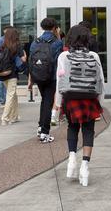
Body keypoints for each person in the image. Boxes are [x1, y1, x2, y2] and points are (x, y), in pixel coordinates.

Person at [55, 24, 104, 187]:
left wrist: (57, 104)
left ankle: (71, 160)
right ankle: (85, 166)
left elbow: (59, 81)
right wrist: (100, 103)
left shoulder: (63, 56)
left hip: (71, 97)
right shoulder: (94, 56)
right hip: (90, 97)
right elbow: (101, 81)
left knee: (72, 127)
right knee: (88, 130)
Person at [30, 17, 63, 143]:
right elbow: (59, 60)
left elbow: (31, 61)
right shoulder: (57, 42)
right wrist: (58, 36)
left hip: (38, 76)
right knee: (48, 103)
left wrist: (31, 78)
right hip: (51, 77)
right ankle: (44, 132)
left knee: (45, 101)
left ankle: (40, 127)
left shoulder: (35, 42)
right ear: (55, 28)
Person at [0, 27, 26, 128]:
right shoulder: (17, 45)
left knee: (13, 95)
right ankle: (5, 118)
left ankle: (14, 116)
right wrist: (25, 55)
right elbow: (23, 59)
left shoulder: (2, 45)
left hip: (3, 74)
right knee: (10, 95)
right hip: (12, 74)